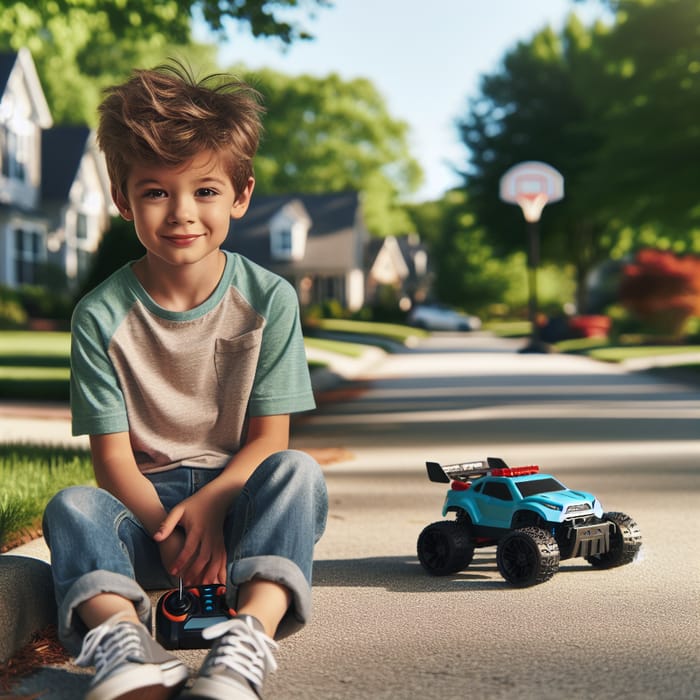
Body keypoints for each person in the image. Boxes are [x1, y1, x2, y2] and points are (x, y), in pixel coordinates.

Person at [42, 60, 328, 700]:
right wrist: (172, 536)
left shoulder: (269, 298)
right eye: (155, 192)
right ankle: (127, 648)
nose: (181, 213)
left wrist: (213, 505)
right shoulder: (99, 314)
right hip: (147, 520)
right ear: (122, 199)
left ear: (241, 195)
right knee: (71, 507)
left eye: (204, 190)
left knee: (298, 474)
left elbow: (267, 441)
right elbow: (112, 463)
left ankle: (244, 641)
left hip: (241, 511)